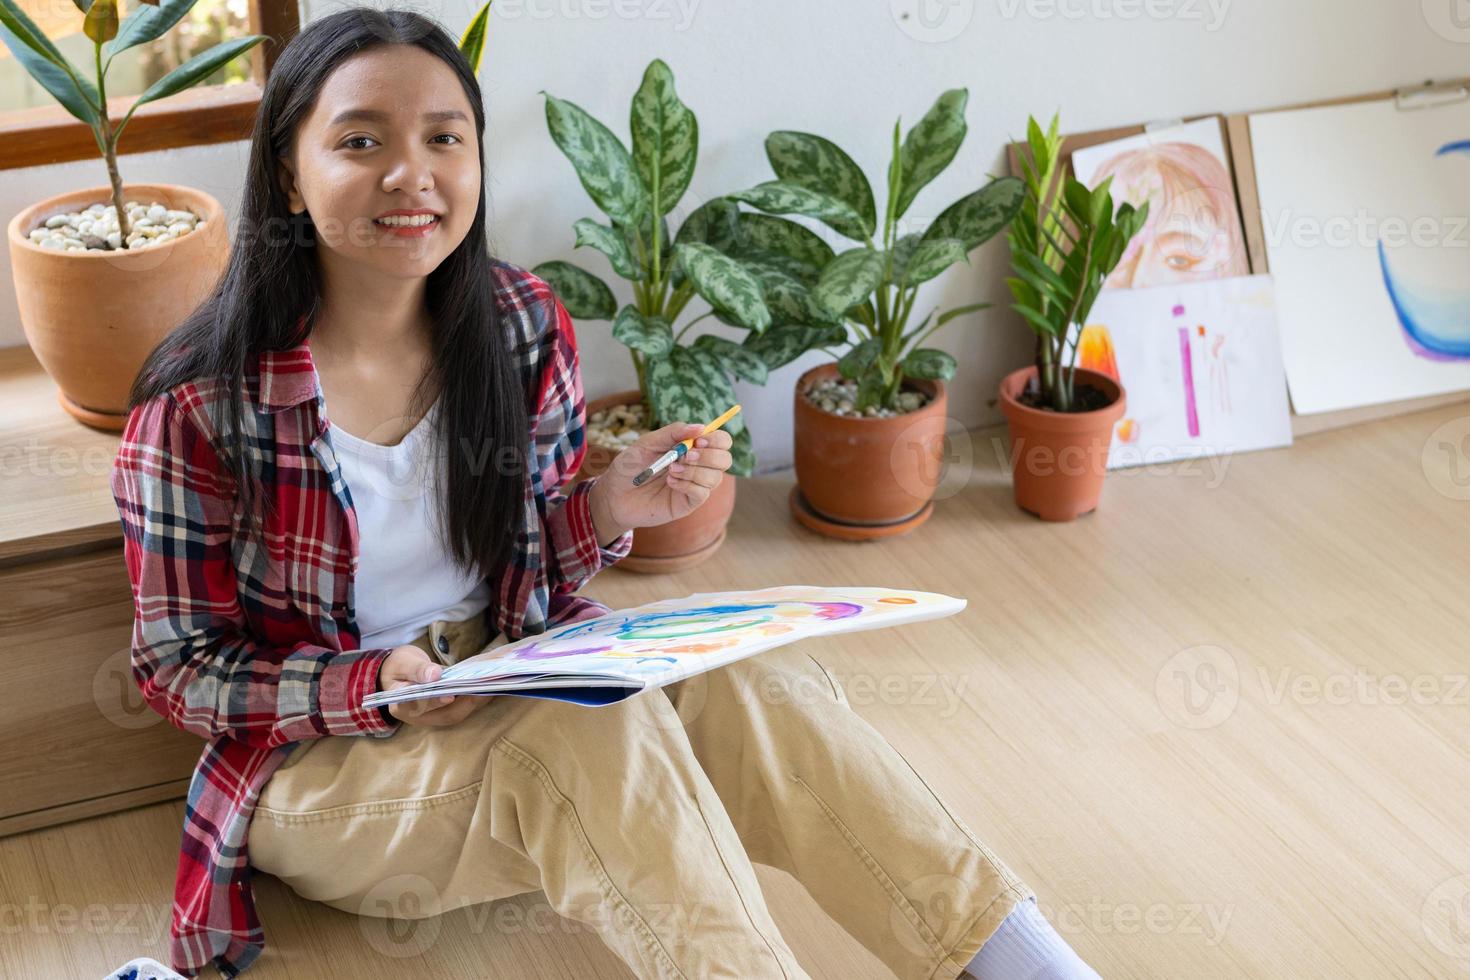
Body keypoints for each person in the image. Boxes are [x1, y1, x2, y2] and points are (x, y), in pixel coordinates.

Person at [110, 8, 1099, 979]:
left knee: (754, 680)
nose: (411, 175)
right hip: (323, 769)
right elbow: (178, 671)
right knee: (588, 719)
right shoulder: (203, 403)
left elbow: (530, 551)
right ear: (289, 170)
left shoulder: (518, 324)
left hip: (507, 676)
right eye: (361, 141)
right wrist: (371, 686)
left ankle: (1025, 963)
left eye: (444, 138)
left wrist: (612, 509)